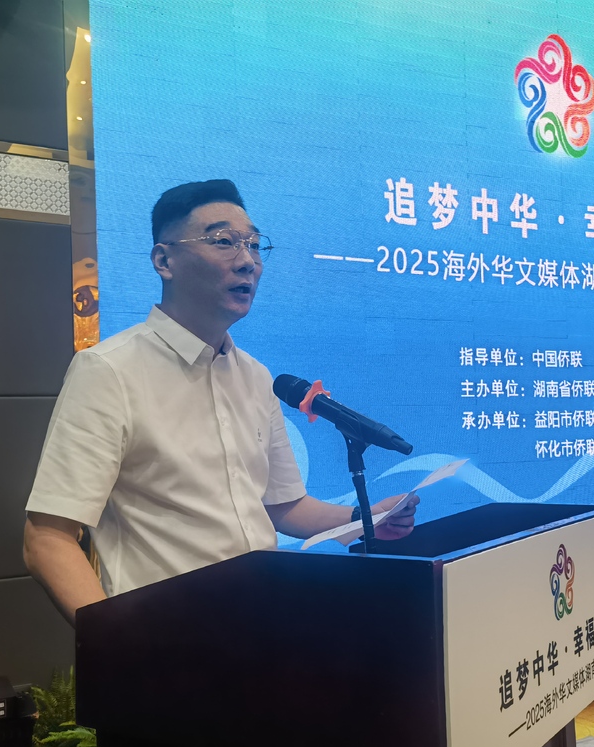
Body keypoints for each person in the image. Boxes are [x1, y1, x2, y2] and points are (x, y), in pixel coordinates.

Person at [23, 180, 418, 625]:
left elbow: (284, 507)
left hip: (265, 627)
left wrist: (365, 517)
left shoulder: (255, 376)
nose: (248, 261)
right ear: (164, 261)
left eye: (254, 244)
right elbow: (47, 540)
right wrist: (115, 645)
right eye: (225, 242)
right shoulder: (109, 371)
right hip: (167, 640)